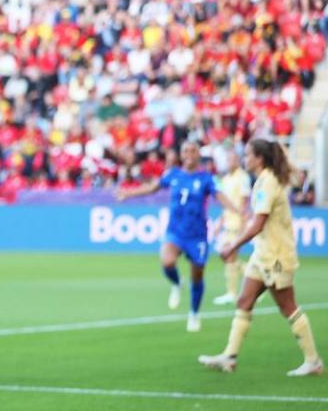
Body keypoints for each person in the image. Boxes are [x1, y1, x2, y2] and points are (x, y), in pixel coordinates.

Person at [199, 139, 323, 376]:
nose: (245, 158)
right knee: (244, 301)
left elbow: (258, 223)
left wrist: (233, 245)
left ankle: (313, 361)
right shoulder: (264, 180)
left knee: (288, 306)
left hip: (276, 256)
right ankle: (229, 356)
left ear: (260, 158)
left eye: (248, 154)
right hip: (262, 254)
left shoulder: (268, 183)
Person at [117, 142, 238, 332]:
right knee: (167, 261)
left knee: (197, 275)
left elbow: (220, 196)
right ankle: (176, 283)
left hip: (197, 235)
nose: (189, 154)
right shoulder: (172, 174)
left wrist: (237, 211)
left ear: (199, 155)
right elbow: (152, 188)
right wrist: (129, 192)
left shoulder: (207, 178)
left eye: (193, 151)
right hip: (175, 231)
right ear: (181, 155)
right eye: (185, 151)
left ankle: (194, 313)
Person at [212, 149, 252, 306]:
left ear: (238, 161)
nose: (230, 162)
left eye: (233, 159)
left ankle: (231, 293)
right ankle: (257, 276)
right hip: (228, 222)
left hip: (237, 223)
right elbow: (225, 204)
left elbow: (244, 202)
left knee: (228, 255)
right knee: (227, 256)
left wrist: (243, 225)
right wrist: (220, 223)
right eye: (228, 160)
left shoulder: (243, 178)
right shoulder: (226, 179)